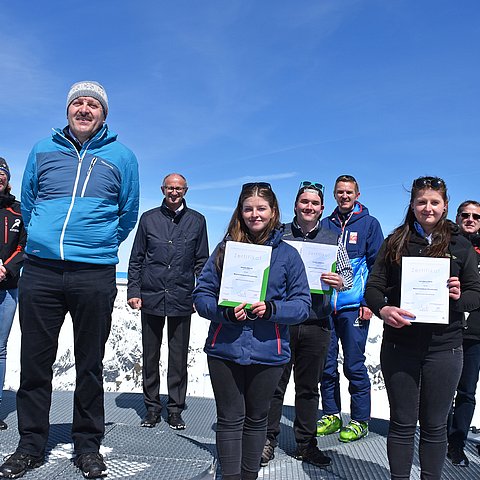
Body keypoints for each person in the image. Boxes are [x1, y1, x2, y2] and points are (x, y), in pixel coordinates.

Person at [0, 81, 139, 480]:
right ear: (67, 110)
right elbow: (29, 200)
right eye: (77, 102)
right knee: (35, 362)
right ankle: (30, 446)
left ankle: (88, 445)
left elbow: (126, 212)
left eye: (92, 104)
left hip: (93, 272)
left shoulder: (122, 157)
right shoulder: (43, 150)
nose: (84, 109)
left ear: (104, 114)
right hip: (41, 270)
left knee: (90, 363)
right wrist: (43, 236)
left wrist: (98, 242)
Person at [193, 182, 311, 480]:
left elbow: (302, 305)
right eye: (248, 208)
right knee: (230, 419)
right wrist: (225, 313)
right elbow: (201, 295)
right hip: (225, 348)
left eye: (261, 209)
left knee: (257, 420)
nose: (254, 214)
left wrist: (272, 309)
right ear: (240, 212)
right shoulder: (224, 250)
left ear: (273, 212)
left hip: (269, 350)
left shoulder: (288, 255)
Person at [364, 177, 480, 480]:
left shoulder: (460, 245)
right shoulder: (396, 241)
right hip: (400, 345)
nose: (427, 208)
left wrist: (458, 298)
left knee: (434, 424)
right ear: (413, 205)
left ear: (444, 206)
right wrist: (384, 309)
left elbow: (475, 293)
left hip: (445, 347)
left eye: (434, 202)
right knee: (402, 422)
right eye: (421, 202)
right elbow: (373, 288)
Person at [261, 181, 353, 468]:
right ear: (296, 205)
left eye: (314, 204)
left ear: (322, 209)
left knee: (308, 387)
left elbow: (348, 275)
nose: (309, 207)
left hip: (316, 321)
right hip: (282, 321)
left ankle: (305, 443)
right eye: (304, 202)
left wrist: (340, 281)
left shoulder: (332, 238)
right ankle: (267, 440)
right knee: (275, 384)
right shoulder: (280, 234)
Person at [127, 173, 209, 430]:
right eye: (170, 188)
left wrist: (201, 293)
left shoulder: (197, 221)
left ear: (186, 190)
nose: (174, 193)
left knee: (178, 357)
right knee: (150, 356)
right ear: (163, 189)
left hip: (182, 297)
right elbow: (136, 258)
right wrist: (133, 290)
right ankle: (152, 408)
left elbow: (201, 262)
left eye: (179, 188)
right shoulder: (149, 219)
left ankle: (175, 409)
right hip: (151, 296)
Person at [318, 175, 383, 442]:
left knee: (354, 365)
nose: (344, 196)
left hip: (353, 306)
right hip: (324, 307)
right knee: (326, 365)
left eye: (349, 192)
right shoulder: (325, 225)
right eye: (340, 192)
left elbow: (378, 267)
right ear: (334, 194)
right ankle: (332, 414)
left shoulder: (369, 224)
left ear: (357, 194)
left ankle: (360, 420)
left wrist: (368, 302)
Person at [447, 200, 480, 467]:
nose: (470, 219)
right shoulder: (445, 243)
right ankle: (440, 437)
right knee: (444, 390)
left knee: (467, 391)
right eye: (465, 215)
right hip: (448, 327)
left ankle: (456, 443)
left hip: (476, 332)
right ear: (457, 217)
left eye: (476, 216)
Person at [0, 158, 26, 431]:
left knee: (0, 349)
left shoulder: (18, 211)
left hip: (8, 288)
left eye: (3, 174)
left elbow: (25, 245)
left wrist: (6, 269)